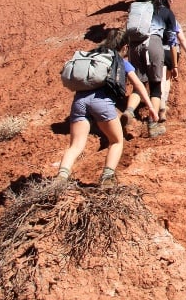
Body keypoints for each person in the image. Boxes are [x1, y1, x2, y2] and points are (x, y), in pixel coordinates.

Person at [56, 28, 158, 186]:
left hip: (79, 102)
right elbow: (138, 84)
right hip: (101, 103)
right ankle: (107, 179)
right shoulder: (120, 61)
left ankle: (61, 178)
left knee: (75, 145)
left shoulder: (91, 56)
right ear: (124, 47)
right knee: (116, 141)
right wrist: (151, 106)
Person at [125, 0, 181, 138]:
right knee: (156, 86)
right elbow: (172, 42)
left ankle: (129, 111)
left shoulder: (143, 9)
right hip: (154, 43)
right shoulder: (167, 13)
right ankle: (152, 124)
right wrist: (174, 66)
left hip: (135, 45)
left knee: (139, 84)